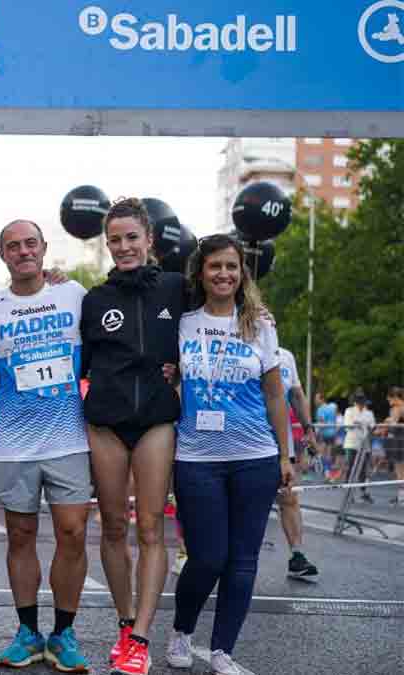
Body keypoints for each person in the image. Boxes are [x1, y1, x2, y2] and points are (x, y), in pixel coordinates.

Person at [164, 234, 292, 675]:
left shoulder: (259, 325)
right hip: (197, 460)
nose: (224, 274)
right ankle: (181, 631)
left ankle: (223, 651)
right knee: (207, 557)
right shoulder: (182, 323)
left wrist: (284, 455)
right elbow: (167, 380)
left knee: (243, 561)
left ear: (242, 275)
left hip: (255, 456)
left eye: (232, 267)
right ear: (201, 272)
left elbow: (275, 395)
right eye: (215, 266)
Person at [0, 220, 92, 673]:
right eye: (13, 246)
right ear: (3, 255)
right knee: (20, 536)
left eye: (30, 244)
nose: (23, 251)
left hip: (67, 439)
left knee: (73, 533)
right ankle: (28, 633)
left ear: (44, 250)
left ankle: (63, 634)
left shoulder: (74, 295)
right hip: (12, 443)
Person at [79, 197, 186, 675]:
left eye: (132, 238)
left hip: (157, 419)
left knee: (149, 527)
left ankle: (142, 636)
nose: (124, 247)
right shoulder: (93, 299)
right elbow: (76, 359)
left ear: (149, 240)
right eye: (115, 240)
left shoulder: (177, 287)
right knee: (112, 526)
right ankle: (125, 623)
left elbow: (222, 311)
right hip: (105, 420)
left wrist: (181, 367)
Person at [274, 347, 320, 580]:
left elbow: (297, 394)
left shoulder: (286, 356)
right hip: (246, 443)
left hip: (281, 444)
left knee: (289, 497)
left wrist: (308, 430)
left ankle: (297, 556)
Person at [342, 391, 376, 502]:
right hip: (351, 443)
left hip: (364, 443)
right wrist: (360, 424)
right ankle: (348, 492)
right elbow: (348, 426)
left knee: (363, 469)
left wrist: (358, 423)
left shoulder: (369, 413)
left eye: (363, 402)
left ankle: (363, 492)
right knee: (351, 467)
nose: (361, 404)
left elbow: (372, 426)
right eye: (359, 402)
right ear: (355, 402)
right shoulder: (349, 411)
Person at [375, 387, 404, 505]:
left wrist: (385, 423)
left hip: (399, 441)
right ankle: (401, 496)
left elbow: (393, 424)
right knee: (400, 469)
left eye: (389, 399)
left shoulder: (397, 408)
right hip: (399, 439)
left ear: (395, 397)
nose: (388, 402)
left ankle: (401, 496)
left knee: (400, 470)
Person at [314, 393, 340, 479]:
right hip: (332, 433)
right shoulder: (333, 406)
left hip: (324, 434)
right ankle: (328, 472)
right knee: (328, 454)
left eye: (317, 399)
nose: (315, 401)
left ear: (322, 399)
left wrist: (316, 433)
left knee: (322, 453)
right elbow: (336, 419)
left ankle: (326, 472)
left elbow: (322, 422)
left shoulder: (320, 409)